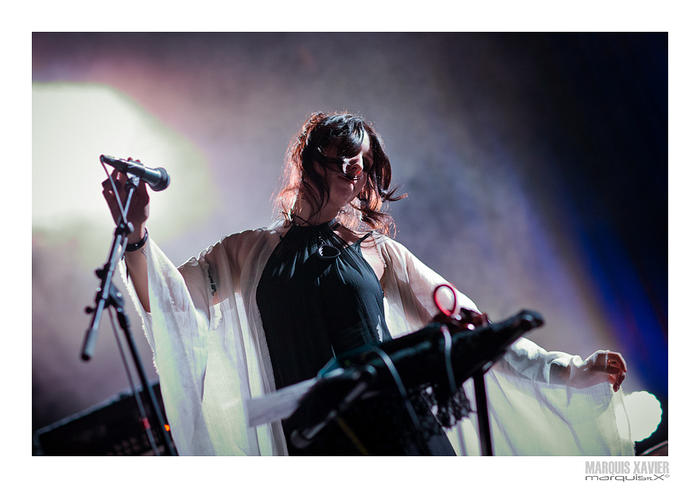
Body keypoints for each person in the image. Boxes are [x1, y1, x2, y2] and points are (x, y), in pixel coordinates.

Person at [102, 112, 632, 456]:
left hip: (398, 431)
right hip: (317, 445)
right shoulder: (246, 252)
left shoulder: (381, 253)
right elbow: (165, 302)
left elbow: (469, 326)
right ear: (311, 162)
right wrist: (137, 229)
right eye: (343, 158)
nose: (356, 172)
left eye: (363, 162)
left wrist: (568, 369)